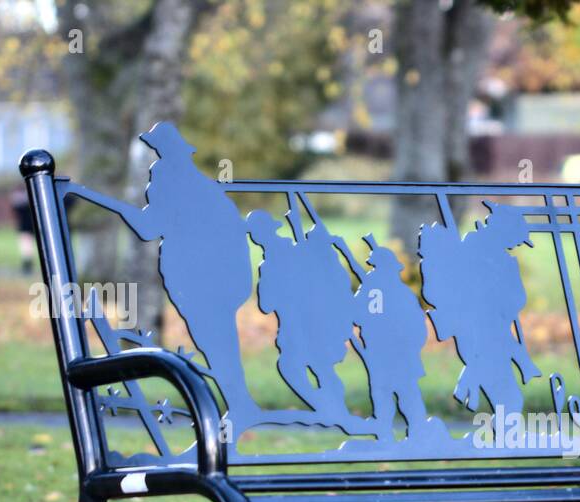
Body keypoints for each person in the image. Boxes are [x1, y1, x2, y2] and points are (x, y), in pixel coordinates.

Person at [64, 121, 261, 429]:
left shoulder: (166, 177)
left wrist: (100, 200)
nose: (156, 152)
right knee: (219, 340)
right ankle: (240, 404)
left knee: (214, 340)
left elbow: (148, 227)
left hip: (199, 277)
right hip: (215, 277)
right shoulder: (201, 183)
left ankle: (241, 405)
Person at [246, 209, 372, 434]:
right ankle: (331, 411)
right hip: (298, 327)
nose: (257, 237)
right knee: (310, 368)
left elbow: (271, 301)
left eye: (257, 233)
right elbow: (267, 305)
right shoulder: (293, 253)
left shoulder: (287, 257)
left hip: (308, 324)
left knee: (312, 368)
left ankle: (333, 412)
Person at [418, 202, 541, 418]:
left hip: (495, 331)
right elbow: (454, 291)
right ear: (504, 231)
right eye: (515, 240)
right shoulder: (469, 252)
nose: (515, 245)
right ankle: (468, 387)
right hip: (475, 332)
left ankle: (468, 388)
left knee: (509, 400)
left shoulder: (501, 259)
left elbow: (516, 299)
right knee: (509, 399)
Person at [348, 237, 443, 441]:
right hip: (391, 354)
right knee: (392, 393)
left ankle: (406, 431)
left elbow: (355, 315)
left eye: (375, 267)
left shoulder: (377, 291)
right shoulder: (402, 294)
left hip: (388, 353)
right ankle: (392, 432)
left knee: (394, 392)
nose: (372, 271)